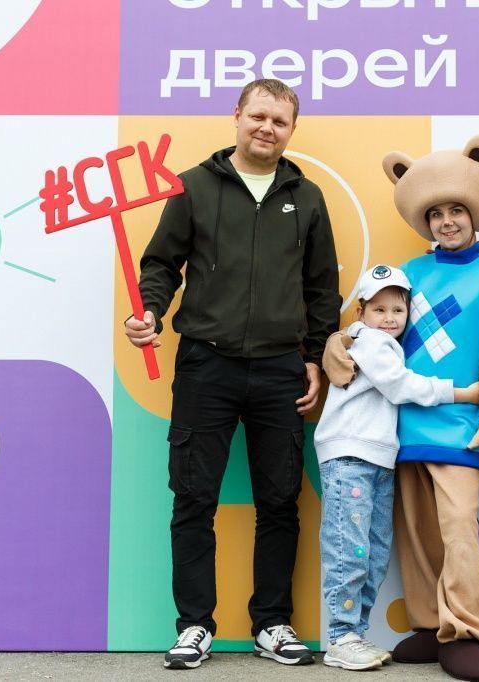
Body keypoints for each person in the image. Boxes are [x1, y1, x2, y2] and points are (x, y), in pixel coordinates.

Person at [124, 79, 340, 670]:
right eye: (258, 116)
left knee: (280, 501)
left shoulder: (308, 197)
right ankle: (194, 625)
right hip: (206, 365)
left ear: (291, 130)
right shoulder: (193, 186)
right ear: (237, 116)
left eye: (280, 121)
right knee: (193, 499)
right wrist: (149, 312)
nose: (267, 128)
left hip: (280, 369)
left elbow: (322, 289)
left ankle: (272, 623)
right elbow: (161, 264)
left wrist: (315, 358)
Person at [325, 136, 479, 682]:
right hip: (399, 425)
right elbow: (374, 324)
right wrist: (339, 342)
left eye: (456, 209)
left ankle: (467, 631)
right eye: (435, 213)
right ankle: (430, 621)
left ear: (475, 211)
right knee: (415, 532)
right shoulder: (409, 272)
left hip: (461, 424)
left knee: (458, 528)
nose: (446, 221)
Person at [315, 264, 479, 671]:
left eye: (398, 310)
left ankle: (353, 633)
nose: (389, 318)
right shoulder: (372, 342)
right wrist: (461, 393)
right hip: (351, 457)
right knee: (350, 550)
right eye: (379, 309)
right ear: (361, 313)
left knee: (372, 553)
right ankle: (340, 636)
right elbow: (401, 385)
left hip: (377, 460)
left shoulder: (379, 341)